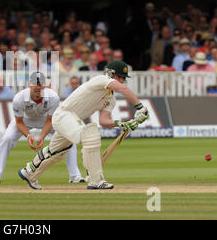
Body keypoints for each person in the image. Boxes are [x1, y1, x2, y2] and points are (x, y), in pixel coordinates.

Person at [17, 60, 149, 190]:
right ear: (111, 73)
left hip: (72, 121)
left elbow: (103, 120)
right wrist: (139, 106)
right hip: (64, 115)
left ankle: (29, 172)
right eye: (119, 76)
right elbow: (123, 88)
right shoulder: (101, 79)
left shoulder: (111, 99)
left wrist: (121, 124)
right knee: (90, 135)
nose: (121, 80)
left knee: (56, 152)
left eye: (123, 78)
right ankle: (96, 179)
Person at [0, 72, 82, 186]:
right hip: (25, 120)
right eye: (35, 84)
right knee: (6, 139)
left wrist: (41, 137)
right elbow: (19, 121)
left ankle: (75, 176)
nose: (38, 87)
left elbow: (49, 120)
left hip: (45, 119)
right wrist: (28, 136)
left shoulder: (53, 97)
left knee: (68, 138)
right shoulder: (19, 98)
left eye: (40, 84)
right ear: (29, 85)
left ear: (45, 85)